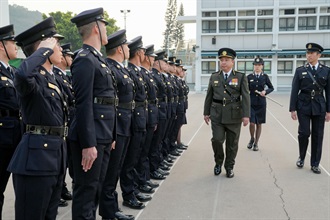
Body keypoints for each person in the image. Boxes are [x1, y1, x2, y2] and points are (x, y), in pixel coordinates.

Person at [7, 17, 67, 220]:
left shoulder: (52, 78)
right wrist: (43, 51)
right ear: (44, 48)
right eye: (55, 44)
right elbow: (22, 77)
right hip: (36, 161)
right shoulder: (31, 78)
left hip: (55, 157)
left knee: (49, 215)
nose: (59, 48)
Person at [69, 8, 117, 219]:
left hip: (103, 134)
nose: (107, 29)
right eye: (104, 25)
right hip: (92, 137)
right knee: (86, 191)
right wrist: (89, 144)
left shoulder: (98, 60)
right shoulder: (85, 59)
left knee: (96, 189)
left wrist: (111, 135)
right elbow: (83, 104)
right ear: (96, 28)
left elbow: (107, 101)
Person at [99, 29, 135, 220]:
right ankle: (108, 211)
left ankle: (111, 209)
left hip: (124, 123)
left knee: (116, 169)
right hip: (116, 124)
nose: (129, 48)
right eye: (126, 45)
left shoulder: (119, 68)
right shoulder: (110, 68)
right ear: (120, 49)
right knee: (111, 171)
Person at [203, 47, 250, 178]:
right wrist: (206, 112)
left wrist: (246, 115)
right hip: (217, 113)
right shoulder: (214, 77)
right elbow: (209, 95)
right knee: (217, 140)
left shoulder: (240, 77)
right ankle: (218, 162)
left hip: (234, 115)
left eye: (226, 60)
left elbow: (246, 97)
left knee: (232, 144)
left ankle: (229, 167)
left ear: (232, 62)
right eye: (221, 60)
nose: (223, 62)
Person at [289, 43, 330, 174]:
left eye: (312, 53)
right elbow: (294, 90)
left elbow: (328, 92)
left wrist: (329, 111)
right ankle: (301, 157)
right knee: (304, 133)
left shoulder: (326, 70)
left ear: (319, 55)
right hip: (303, 105)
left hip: (319, 105)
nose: (309, 55)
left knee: (318, 135)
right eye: (308, 53)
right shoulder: (300, 70)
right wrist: (292, 108)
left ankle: (315, 163)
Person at [120, 36, 149, 210]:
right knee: (129, 160)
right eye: (144, 51)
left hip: (139, 116)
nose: (146, 54)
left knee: (136, 155)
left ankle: (134, 188)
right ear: (139, 52)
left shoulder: (136, 71)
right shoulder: (129, 71)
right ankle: (129, 193)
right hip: (131, 118)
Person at [0, 24, 22, 220]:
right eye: (11, 42)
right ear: (1, 45)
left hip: (17, 134)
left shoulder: (13, 72)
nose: (16, 46)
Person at [53, 43, 75, 206]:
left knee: (65, 162)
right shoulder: (55, 76)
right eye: (68, 56)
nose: (70, 59)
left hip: (68, 123)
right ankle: (58, 189)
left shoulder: (65, 77)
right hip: (62, 123)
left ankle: (61, 188)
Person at [247, 57, 274, 151]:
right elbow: (245, 89)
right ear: (253, 66)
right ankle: (252, 138)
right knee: (252, 123)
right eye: (255, 65)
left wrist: (265, 92)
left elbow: (271, 87)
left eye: (259, 65)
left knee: (259, 123)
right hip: (251, 103)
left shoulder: (265, 77)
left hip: (261, 103)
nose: (257, 67)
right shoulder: (249, 77)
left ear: (262, 66)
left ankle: (256, 143)